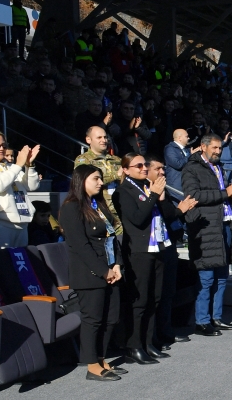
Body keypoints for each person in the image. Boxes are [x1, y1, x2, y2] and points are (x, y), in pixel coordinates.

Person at [113, 153, 197, 365]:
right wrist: (153, 196)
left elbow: (165, 213)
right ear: (126, 169)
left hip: (158, 247)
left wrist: (156, 197)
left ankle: (149, 341)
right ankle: (134, 344)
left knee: (155, 298)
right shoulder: (123, 192)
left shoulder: (146, 188)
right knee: (140, 300)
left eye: (144, 164)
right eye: (138, 165)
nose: (143, 168)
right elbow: (138, 219)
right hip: (139, 251)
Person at [59, 165, 125, 382]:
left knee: (111, 318)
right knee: (93, 319)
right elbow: (80, 245)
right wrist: (103, 270)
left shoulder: (97, 205)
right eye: (95, 178)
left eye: (101, 179)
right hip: (89, 274)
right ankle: (92, 365)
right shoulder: (72, 208)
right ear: (81, 180)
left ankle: (102, 358)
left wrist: (116, 265)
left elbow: (112, 237)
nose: (100, 182)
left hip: (109, 269)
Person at [182, 134, 232, 336]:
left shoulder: (218, 167)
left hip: (223, 223)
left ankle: (217, 318)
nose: (218, 151)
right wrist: (225, 193)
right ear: (203, 146)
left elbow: (221, 197)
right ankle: (201, 321)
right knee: (206, 277)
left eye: (220, 148)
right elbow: (194, 196)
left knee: (222, 276)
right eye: (215, 148)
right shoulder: (191, 168)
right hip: (205, 227)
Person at [74, 126, 124, 235]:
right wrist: (116, 175)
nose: (104, 140)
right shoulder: (83, 160)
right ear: (88, 140)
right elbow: (85, 182)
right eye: (99, 137)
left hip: (120, 209)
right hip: (100, 211)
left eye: (105, 137)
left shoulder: (116, 160)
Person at [164, 129, 192, 195]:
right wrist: (190, 155)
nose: (188, 138)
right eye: (186, 136)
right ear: (179, 138)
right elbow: (177, 164)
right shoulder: (170, 149)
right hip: (176, 184)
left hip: (187, 182)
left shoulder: (187, 149)